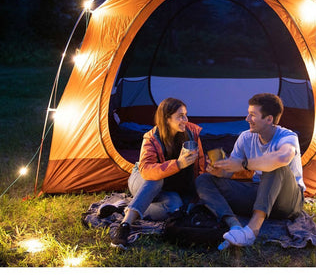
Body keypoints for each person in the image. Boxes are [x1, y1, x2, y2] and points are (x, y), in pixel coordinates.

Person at [195, 93, 305, 248]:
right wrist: (219, 170)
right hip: (260, 194)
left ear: (269, 119)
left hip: (287, 201)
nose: (247, 119)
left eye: (252, 115)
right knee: (203, 180)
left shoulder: (287, 136)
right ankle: (235, 227)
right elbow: (229, 172)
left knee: (274, 166)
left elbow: (282, 158)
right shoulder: (245, 137)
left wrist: (244, 164)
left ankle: (252, 231)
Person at [110, 97, 205, 249]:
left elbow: (200, 165)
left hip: (167, 188)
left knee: (176, 207)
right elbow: (147, 171)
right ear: (167, 119)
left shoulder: (192, 133)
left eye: (186, 115)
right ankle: (124, 226)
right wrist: (179, 164)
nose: (185, 119)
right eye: (180, 116)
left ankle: (124, 208)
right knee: (156, 179)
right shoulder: (151, 138)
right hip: (142, 179)